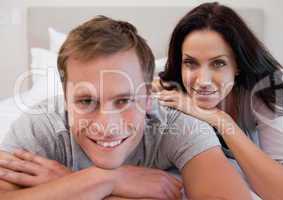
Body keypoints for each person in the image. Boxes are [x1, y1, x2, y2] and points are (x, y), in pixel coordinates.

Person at [0, 16, 251, 200]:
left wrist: (69, 186)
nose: (107, 126)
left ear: (148, 99)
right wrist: (106, 180)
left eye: (124, 101)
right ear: (65, 101)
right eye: (86, 101)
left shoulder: (178, 127)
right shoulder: (41, 125)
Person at [155, 2, 283, 200]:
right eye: (190, 63)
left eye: (218, 63)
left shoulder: (263, 92)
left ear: (237, 65)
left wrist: (221, 120)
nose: (203, 81)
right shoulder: (169, 87)